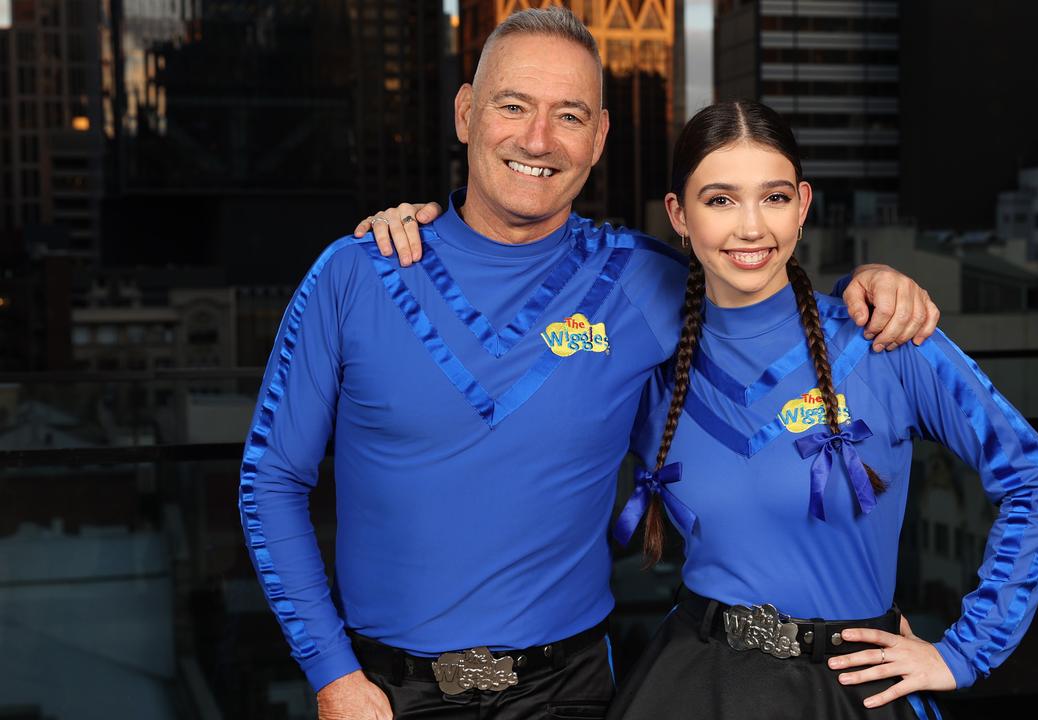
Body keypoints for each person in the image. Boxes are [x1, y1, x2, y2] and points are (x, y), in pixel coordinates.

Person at [241, 8, 938, 720]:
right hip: (383, 695)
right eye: (513, 106)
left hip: (568, 693)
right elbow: (270, 479)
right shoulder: (356, 275)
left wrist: (878, 285)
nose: (537, 139)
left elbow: (769, 328)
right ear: (466, 114)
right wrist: (332, 675)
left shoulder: (642, 281)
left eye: (568, 115)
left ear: (599, 137)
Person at [603, 101, 1038, 720]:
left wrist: (965, 652)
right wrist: (431, 221)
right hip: (693, 683)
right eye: (719, 200)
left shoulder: (882, 341)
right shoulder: (654, 369)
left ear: (802, 204)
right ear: (679, 215)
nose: (751, 228)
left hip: (849, 694)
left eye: (772, 198)